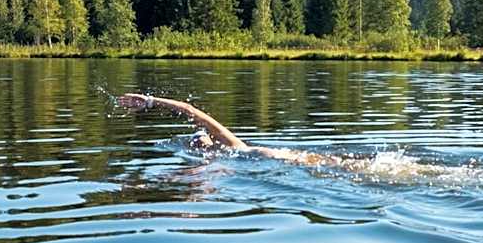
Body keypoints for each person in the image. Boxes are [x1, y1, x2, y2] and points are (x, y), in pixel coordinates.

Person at [118, 93, 342, 167]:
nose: (200, 140)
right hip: (280, 160)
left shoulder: (230, 145)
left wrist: (150, 101)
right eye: (198, 139)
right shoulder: (216, 161)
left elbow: (189, 109)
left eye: (202, 136)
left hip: (276, 157)